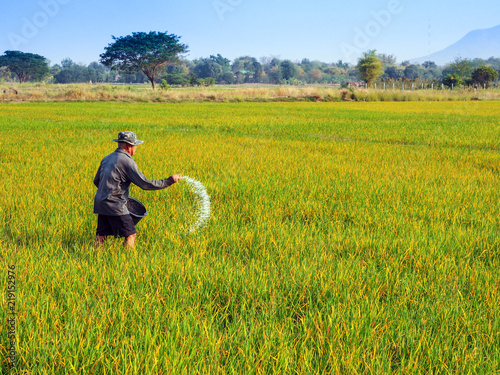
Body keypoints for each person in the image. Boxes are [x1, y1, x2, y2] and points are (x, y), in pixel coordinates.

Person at [93, 131, 182, 248]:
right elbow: (145, 184)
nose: (135, 149)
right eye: (135, 146)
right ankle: (127, 262)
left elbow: (96, 181)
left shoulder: (107, 158)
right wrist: (169, 180)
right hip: (115, 205)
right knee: (131, 234)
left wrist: (108, 191)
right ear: (129, 146)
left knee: (101, 235)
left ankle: (94, 256)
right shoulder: (127, 162)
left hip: (101, 203)